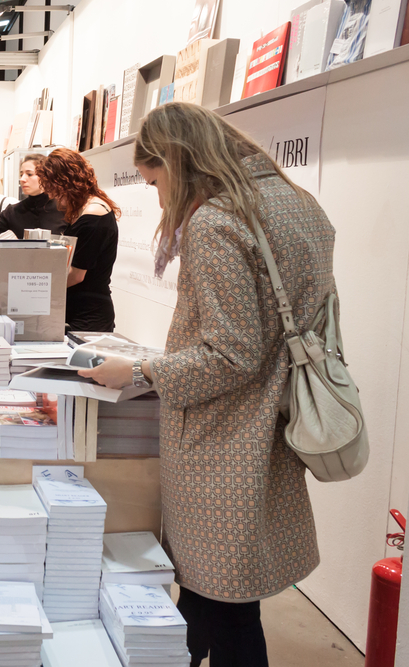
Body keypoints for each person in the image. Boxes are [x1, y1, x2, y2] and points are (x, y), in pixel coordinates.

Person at [79, 101, 329, 667]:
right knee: (213, 592)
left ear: (177, 159)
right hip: (275, 427)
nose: (159, 197)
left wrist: (139, 370)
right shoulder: (298, 204)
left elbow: (230, 354)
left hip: (225, 442)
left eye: (155, 179)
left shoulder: (217, 222)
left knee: (226, 604)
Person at [36, 147, 120, 332]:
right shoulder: (85, 211)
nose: (50, 195)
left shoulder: (94, 217)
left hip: (89, 317)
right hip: (78, 311)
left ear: (65, 182)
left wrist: (35, 290)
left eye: (52, 188)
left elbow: (76, 274)